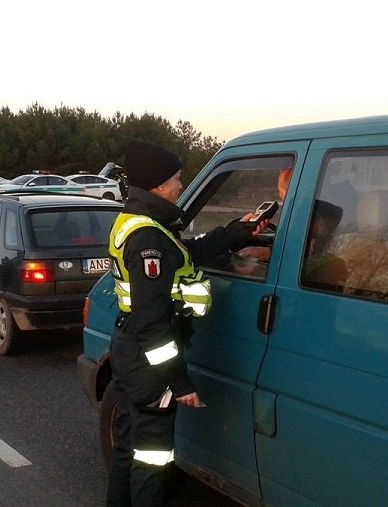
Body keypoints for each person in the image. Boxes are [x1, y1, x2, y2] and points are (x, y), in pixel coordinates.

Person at [106, 140, 265, 506]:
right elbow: (151, 324)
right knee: (152, 459)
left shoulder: (140, 223)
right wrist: (178, 381)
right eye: (176, 178)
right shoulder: (148, 237)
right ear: (158, 185)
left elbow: (185, 253)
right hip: (148, 363)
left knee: (127, 446)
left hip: (129, 351)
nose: (180, 185)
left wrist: (234, 233)